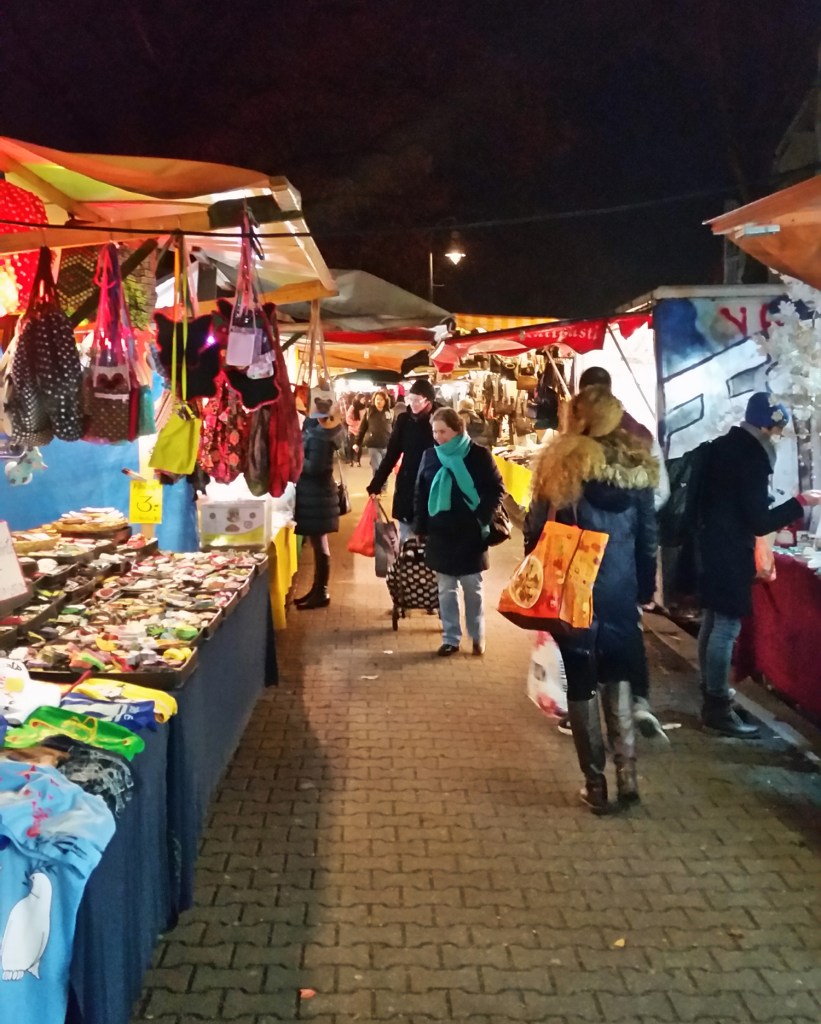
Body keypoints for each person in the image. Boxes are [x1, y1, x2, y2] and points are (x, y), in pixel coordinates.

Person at [524, 386, 659, 813]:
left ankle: (595, 784)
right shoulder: (636, 465)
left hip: (572, 590)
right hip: (619, 589)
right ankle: (629, 776)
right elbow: (648, 539)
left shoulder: (558, 464)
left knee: (581, 681)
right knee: (619, 673)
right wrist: (643, 589)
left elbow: (534, 530)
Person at [696, 392, 821, 736]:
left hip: (711, 545)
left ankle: (710, 694)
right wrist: (800, 502)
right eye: (777, 428)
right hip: (730, 551)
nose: (778, 435)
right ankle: (717, 705)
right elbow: (758, 520)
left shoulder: (724, 446)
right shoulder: (751, 456)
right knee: (726, 626)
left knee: (712, 621)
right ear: (767, 425)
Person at [576, 365, 669, 743]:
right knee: (624, 638)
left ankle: (586, 726)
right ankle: (637, 706)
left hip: (577, 571)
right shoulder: (640, 440)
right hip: (621, 568)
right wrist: (646, 584)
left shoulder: (568, 453)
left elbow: (541, 521)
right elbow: (651, 525)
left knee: (581, 649)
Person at [414, 407, 504, 657]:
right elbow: (421, 493)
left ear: (458, 430)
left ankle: (477, 635)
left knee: (472, 587)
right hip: (440, 532)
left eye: (443, 431)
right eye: (435, 432)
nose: (438, 437)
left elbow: (497, 489)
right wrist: (420, 526)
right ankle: (451, 638)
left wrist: (482, 516)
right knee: (445, 589)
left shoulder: (478, 455)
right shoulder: (430, 456)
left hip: (470, 533)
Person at [367, 378, 436, 544]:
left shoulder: (439, 420)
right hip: (408, 484)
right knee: (407, 541)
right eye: (409, 399)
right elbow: (392, 454)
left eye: (416, 400)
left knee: (432, 543)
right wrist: (376, 483)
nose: (411, 403)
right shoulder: (404, 421)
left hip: (433, 487)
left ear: (428, 401)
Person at [293, 397, 344, 610]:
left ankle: (320, 591)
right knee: (318, 544)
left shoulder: (319, 438)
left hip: (317, 497)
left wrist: (294, 458)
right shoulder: (325, 434)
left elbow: (314, 468)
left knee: (319, 544)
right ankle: (318, 589)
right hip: (318, 496)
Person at [354, 390, 394, 475]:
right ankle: (377, 487)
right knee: (377, 468)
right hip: (373, 445)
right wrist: (357, 443)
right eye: (377, 399)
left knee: (385, 468)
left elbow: (396, 428)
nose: (379, 401)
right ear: (374, 400)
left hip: (387, 445)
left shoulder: (390, 413)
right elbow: (362, 428)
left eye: (381, 399)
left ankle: (383, 487)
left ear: (385, 401)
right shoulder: (369, 412)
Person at [345, 394, 367, 466]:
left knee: (359, 446)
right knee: (351, 445)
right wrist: (354, 424)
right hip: (352, 429)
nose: (364, 400)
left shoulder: (364, 408)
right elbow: (348, 418)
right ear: (359, 399)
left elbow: (365, 419)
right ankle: (351, 460)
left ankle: (358, 461)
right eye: (363, 399)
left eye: (364, 399)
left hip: (360, 430)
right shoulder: (352, 407)